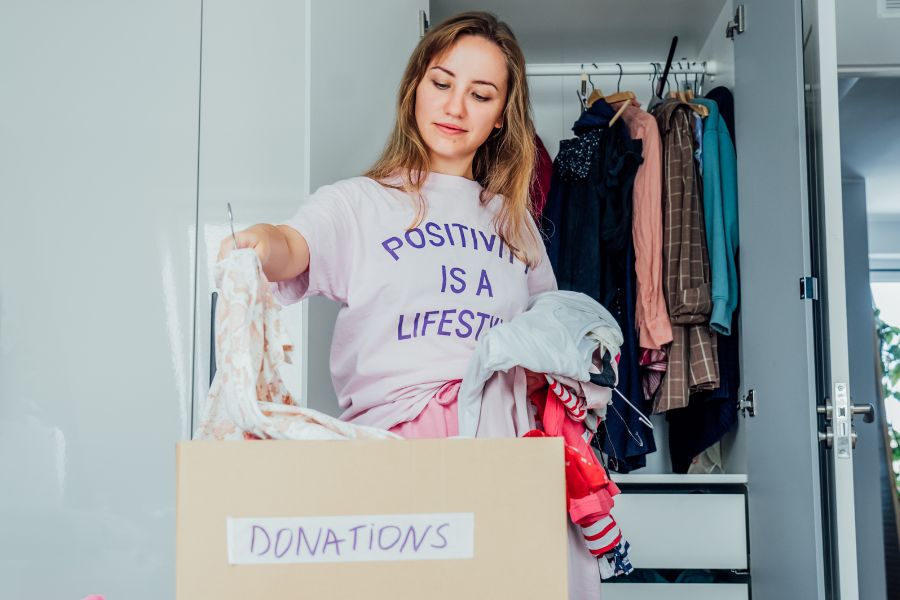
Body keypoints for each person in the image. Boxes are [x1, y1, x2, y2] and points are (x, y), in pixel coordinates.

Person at [217, 12, 601, 597]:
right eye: (442, 84)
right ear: (414, 87)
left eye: (481, 95)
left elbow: (548, 333)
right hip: (395, 451)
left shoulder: (514, 222)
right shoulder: (358, 203)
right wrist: (259, 243)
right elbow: (294, 246)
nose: (455, 108)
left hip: (504, 450)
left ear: (501, 117)